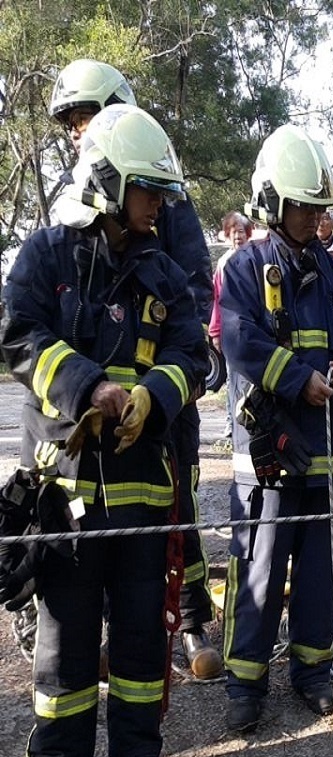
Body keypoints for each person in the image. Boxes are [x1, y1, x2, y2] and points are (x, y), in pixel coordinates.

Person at [0, 104, 207, 757]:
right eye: (150, 191)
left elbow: (193, 355)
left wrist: (153, 396)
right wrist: (89, 385)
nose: (161, 205)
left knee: (144, 629)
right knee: (66, 630)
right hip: (66, 489)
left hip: (145, 489)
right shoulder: (48, 256)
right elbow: (19, 334)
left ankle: (138, 756)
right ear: (111, 184)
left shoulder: (165, 273)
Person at [47, 59, 221, 678]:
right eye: (71, 123)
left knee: (177, 505)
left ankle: (195, 623)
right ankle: (112, 636)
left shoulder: (160, 198)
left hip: (160, 393)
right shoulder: (70, 209)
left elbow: (194, 288)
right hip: (94, 404)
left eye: (85, 115)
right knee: (92, 520)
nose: (79, 131)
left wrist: (164, 378)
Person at [219, 124, 333, 733]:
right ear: (273, 203)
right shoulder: (245, 268)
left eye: (319, 208)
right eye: (303, 207)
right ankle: (244, 683)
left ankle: (312, 671)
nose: (314, 218)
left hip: (326, 457)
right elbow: (237, 339)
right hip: (269, 457)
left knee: (317, 568)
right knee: (257, 566)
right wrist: (295, 378)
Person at [210, 211, 253, 438]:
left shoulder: (257, 258)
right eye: (233, 231)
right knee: (231, 376)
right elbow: (216, 299)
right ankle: (232, 423)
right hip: (230, 331)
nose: (238, 235)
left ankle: (252, 419)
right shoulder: (223, 263)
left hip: (253, 329)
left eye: (241, 231)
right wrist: (215, 332)